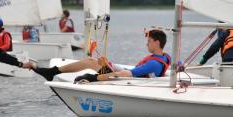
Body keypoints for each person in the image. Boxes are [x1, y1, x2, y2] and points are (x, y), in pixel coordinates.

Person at [33, 29, 171, 83]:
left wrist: (93, 78)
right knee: (94, 60)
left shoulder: (153, 63)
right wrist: (109, 64)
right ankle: (52, 72)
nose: (146, 44)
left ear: (157, 43)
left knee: (91, 61)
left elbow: (127, 74)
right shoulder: (164, 57)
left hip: (123, 82)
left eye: (149, 42)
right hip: (125, 77)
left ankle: (52, 72)